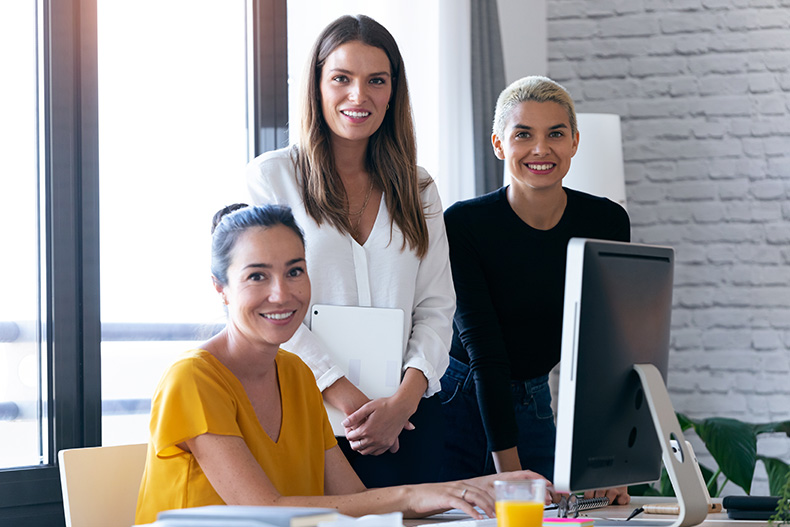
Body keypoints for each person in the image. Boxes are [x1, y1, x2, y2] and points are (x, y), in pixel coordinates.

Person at [134, 204, 546, 525]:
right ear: (221, 289)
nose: (282, 294)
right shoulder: (193, 378)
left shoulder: (296, 373)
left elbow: (354, 500)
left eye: (295, 271)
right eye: (257, 277)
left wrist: (472, 487)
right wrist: (415, 495)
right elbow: (264, 510)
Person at [246, 15, 454, 487]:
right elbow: (270, 305)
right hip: (306, 419)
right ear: (317, 86)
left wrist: (402, 403)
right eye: (341, 78)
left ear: (392, 92)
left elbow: (437, 306)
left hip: (409, 424)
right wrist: (353, 403)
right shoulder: (272, 179)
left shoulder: (418, 188)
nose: (359, 96)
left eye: (376, 81)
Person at [438, 76, 631, 505]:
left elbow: (604, 349)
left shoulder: (607, 222)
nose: (540, 149)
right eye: (523, 134)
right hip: (461, 399)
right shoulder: (465, 225)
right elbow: (485, 353)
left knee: (563, 515)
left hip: (534, 396)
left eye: (555, 134)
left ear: (575, 142)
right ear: (499, 144)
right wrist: (512, 480)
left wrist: (606, 464)